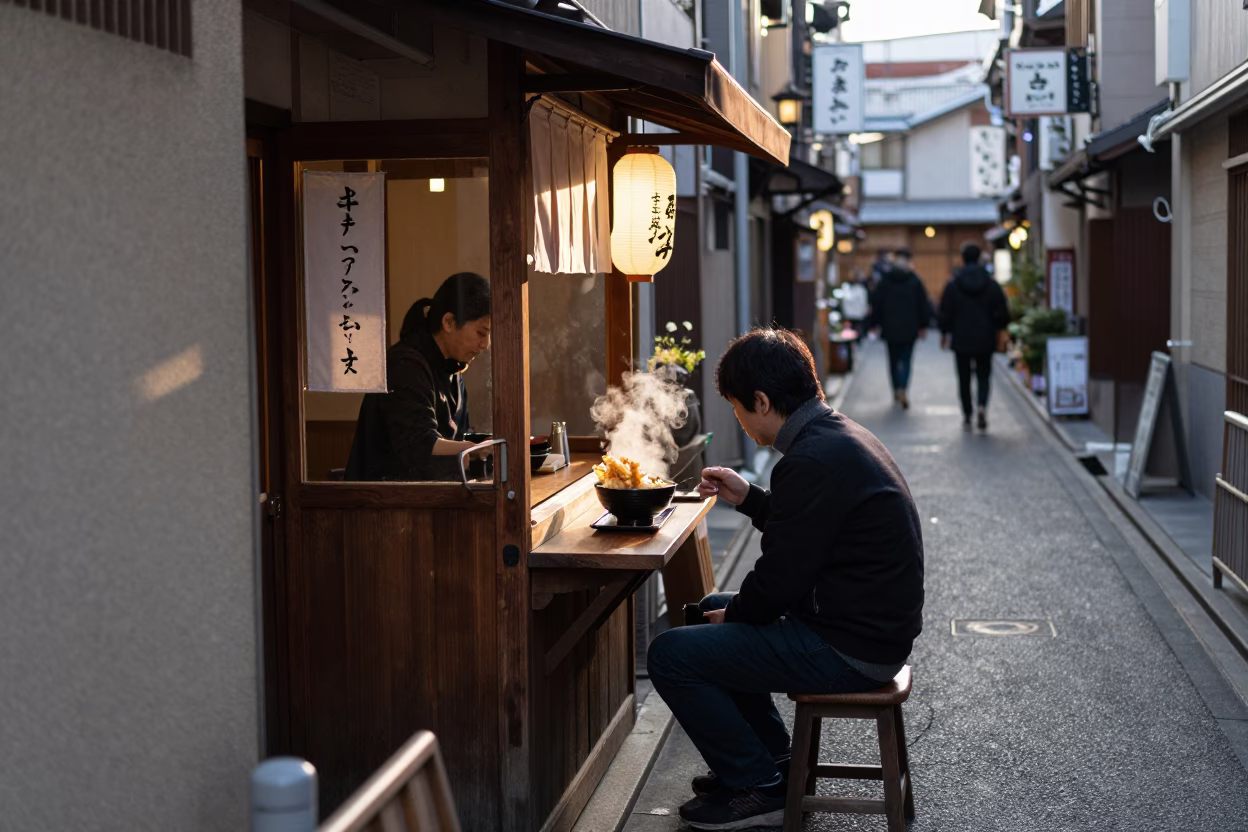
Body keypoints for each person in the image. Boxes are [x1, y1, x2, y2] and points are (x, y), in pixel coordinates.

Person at [646, 328, 925, 830]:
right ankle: (773, 761)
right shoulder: (836, 436)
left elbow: (777, 582)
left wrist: (732, 616)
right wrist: (747, 496)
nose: (739, 419)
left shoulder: (811, 460)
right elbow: (808, 528)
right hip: (864, 627)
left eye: (737, 408)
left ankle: (759, 788)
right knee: (714, 607)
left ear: (762, 400)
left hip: (851, 647)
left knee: (671, 655)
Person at [345, 272, 491, 481]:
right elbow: (421, 445)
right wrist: (472, 449)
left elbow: (460, 435)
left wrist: (487, 444)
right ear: (449, 322)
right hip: (384, 505)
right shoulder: (405, 365)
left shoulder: (453, 366)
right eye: (481, 332)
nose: (486, 344)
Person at [939, 242, 1010, 431]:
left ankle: (968, 413)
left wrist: (944, 333)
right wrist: (999, 327)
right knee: (984, 374)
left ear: (963, 258)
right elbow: (1003, 312)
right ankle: (981, 406)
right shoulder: (991, 284)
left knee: (963, 377)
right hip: (985, 337)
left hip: (961, 337)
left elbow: (945, 311)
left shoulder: (954, 284)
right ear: (979, 258)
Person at [869, 248, 934, 409]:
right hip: (910, 328)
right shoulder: (915, 281)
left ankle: (896, 390)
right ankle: (903, 388)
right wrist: (924, 325)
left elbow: (877, 304)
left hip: (890, 327)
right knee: (906, 360)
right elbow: (923, 305)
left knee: (892, 361)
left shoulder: (885, 280)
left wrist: (873, 324)